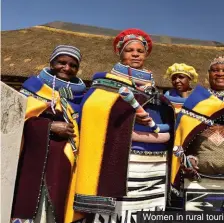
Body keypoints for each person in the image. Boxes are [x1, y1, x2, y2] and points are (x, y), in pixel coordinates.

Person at [73, 29, 174, 222]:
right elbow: (91, 111)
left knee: (148, 210)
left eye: (140, 51)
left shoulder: (153, 87)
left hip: (156, 164)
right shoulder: (106, 83)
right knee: (118, 213)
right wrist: (129, 117)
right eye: (129, 50)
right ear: (120, 53)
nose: (135, 54)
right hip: (122, 159)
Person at [170, 56, 224, 211]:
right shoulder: (195, 101)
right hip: (199, 181)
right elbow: (184, 135)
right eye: (215, 70)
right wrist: (187, 160)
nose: (220, 74)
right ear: (209, 74)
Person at [11, 45, 86, 223]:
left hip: (65, 163)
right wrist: (49, 126)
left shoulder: (82, 97)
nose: (67, 68)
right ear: (51, 62)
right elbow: (16, 121)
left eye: (73, 65)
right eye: (61, 62)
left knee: (56, 210)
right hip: (32, 161)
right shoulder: (34, 87)